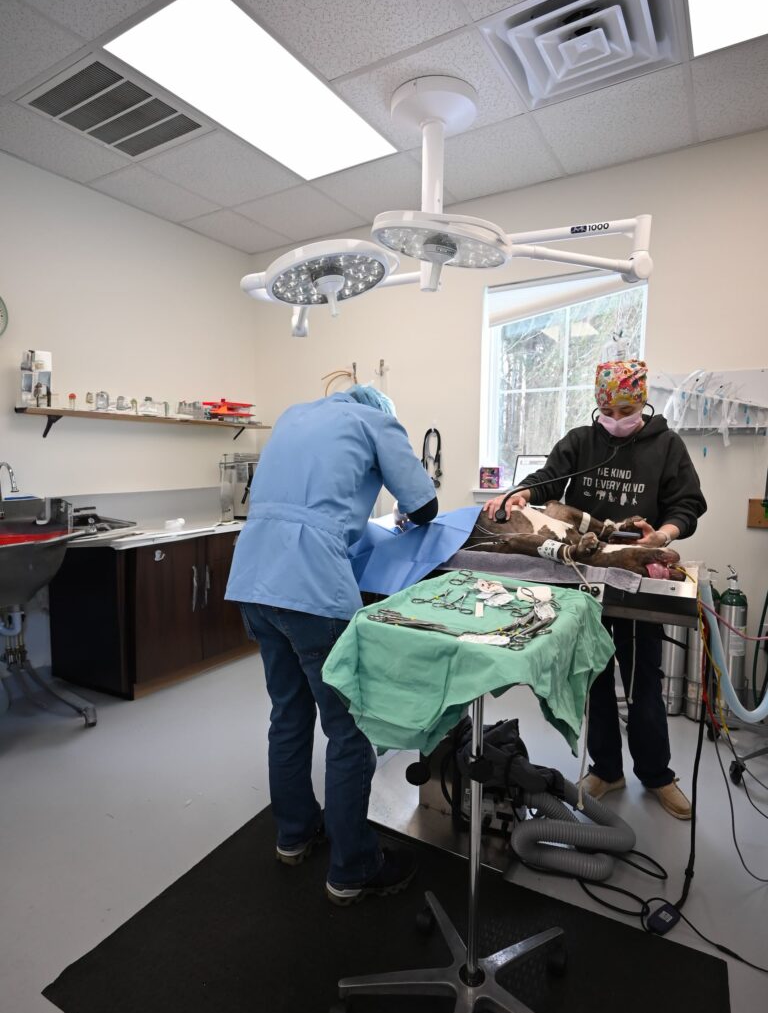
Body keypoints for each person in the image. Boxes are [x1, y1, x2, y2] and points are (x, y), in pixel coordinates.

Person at [226, 384, 437, 902]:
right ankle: (354, 866)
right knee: (347, 731)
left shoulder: (293, 415)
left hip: (254, 578)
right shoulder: (377, 422)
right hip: (312, 590)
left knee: (288, 715)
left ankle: (294, 836)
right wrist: (404, 517)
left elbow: (311, 509)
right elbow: (425, 505)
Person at [483, 360, 706, 820]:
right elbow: (545, 479)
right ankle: (607, 768)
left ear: (642, 403)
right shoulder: (582, 442)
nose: (616, 418)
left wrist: (661, 536)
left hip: (638, 575)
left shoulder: (666, 445)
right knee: (595, 674)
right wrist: (518, 496)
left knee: (644, 679)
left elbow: (686, 505)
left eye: (625, 410)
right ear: (597, 404)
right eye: (607, 410)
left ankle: (657, 773)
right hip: (586, 574)